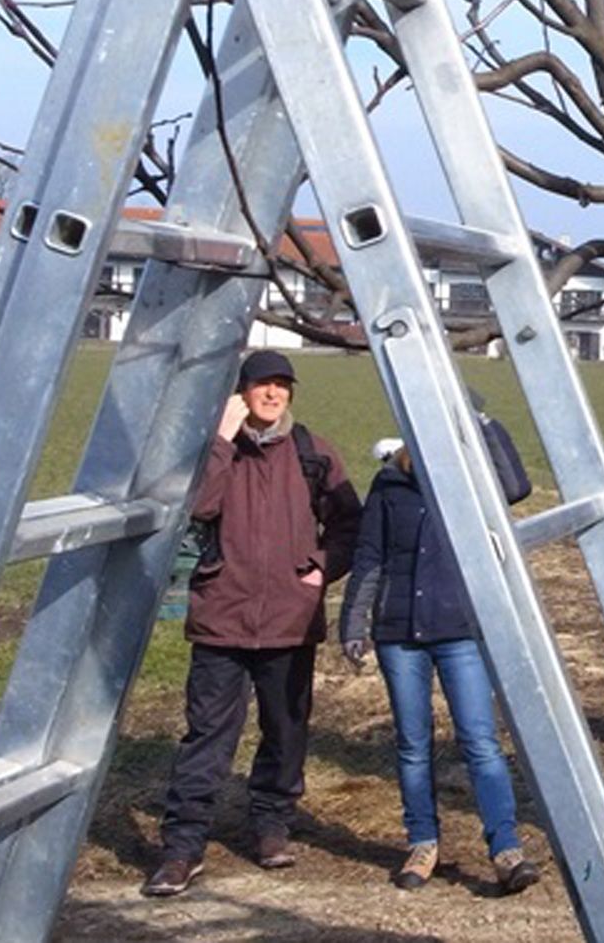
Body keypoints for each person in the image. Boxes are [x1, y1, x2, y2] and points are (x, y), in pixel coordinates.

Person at [144, 350, 364, 897]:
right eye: (262, 385)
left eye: (282, 386)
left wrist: (323, 569)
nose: (273, 394)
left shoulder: (314, 452)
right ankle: (183, 846)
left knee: (285, 731)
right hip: (223, 616)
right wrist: (219, 440)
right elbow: (196, 508)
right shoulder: (217, 451)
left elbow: (351, 524)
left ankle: (271, 826)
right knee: (208, 738)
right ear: (241, 392)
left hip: (291, 620)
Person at [340, 431, 542, 896]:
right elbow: (370, 555)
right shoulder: (388, 485)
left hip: (460, 633)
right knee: (413, 745)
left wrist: (482, 420)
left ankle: (505, 848)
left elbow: (515, 486)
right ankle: (422, 843)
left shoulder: (470, 481)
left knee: (480, 741)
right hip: (399, 635)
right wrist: (354, 622)